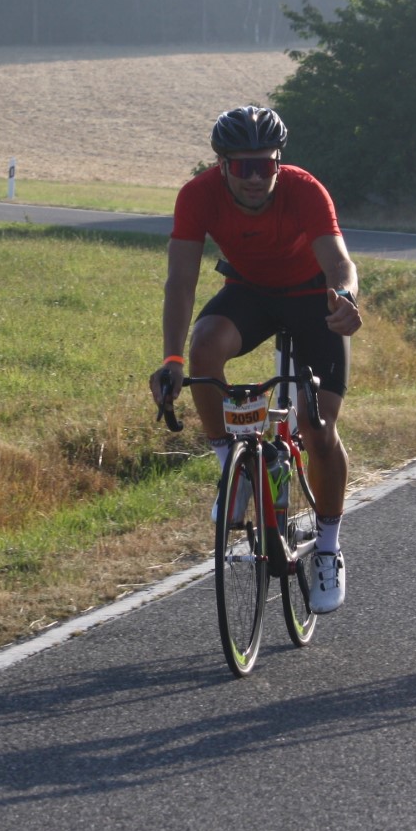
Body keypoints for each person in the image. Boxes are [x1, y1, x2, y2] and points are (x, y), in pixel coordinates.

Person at [150, 105, 364, 613]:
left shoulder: (304, 190)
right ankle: (235, 470)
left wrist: (345, 297)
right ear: (221, 165)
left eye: (264, 165)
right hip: (250, 293)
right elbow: (181, 282)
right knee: (204, 347)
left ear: (278, 162)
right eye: (242, 166)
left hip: (313, 298)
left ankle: (328, 547)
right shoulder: (197, 195)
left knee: (318, 429)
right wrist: (172, 358)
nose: (253, 177)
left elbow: (339, 262)